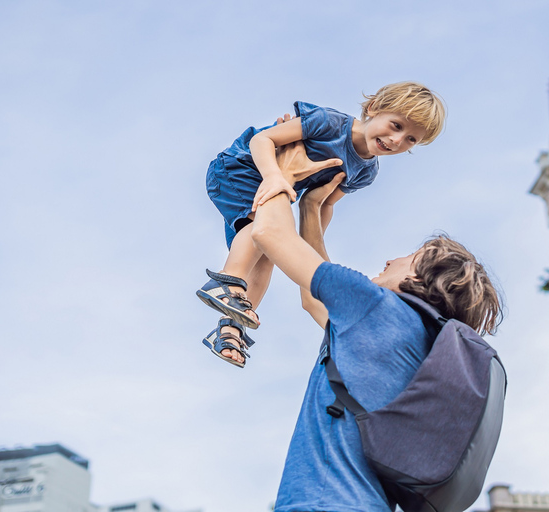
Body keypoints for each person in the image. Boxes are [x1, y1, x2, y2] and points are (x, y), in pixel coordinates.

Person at [248, 138, 503, 511]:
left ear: (421, 274)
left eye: (409, 256)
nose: (392, 259)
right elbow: (313, 298)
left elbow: (268, 234)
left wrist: (280, 172)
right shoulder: (420, 342)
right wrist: (311, 208)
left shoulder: (371, 304)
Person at [197, 82, 447, 368]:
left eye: (411, 140)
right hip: (240, 168)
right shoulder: (330, 124)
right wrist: (272, 176)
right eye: (396, 125)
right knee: (260, 229)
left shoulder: (365, 171)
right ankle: (227, 282)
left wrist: (304, 249)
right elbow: (262, 140)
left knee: (268, 252)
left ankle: (231, 328)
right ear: (375, 108)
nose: (396, 140)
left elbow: (325, 203)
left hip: (276, 189)